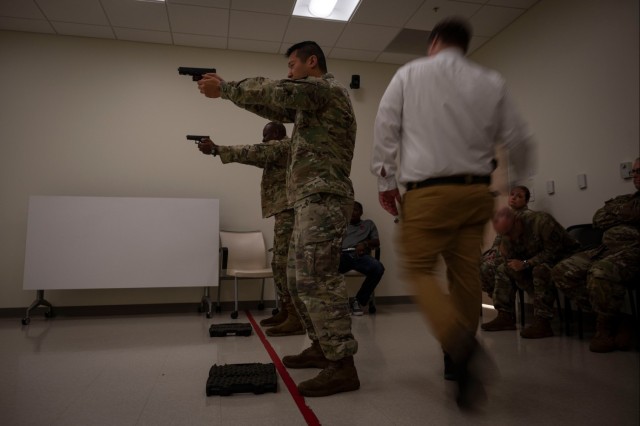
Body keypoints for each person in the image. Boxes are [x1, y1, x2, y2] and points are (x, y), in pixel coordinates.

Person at [371, 17, 534, 409]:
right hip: (477, 193)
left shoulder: (410, 74)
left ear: (433, 43)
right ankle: (455, 365)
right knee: (466, 278)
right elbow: (519, 140)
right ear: (463, 45)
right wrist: (515, 194)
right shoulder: (490, 80)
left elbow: (385, 129)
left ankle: (459, 344)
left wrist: (385, 183)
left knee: (418, 269)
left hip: (428, 195)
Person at [195, 41, 359, 397]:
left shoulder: (325, 89)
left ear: (311, 62)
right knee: (299, 279)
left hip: (324, 196)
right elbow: (273, 103)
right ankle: (322, 346)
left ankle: (342, 365)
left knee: (319, 279)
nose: (289, 72)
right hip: (307, 200)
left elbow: (278, 92)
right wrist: (230, 96)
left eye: (292, 65)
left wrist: (226, 90)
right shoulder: (310, 107)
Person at [195, 122, 304, 337]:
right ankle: (285, 311)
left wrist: (217, 149)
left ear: (278, 134)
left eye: (266, 136)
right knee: (278, 262)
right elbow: (256, 156)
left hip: (289, 211)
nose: (263, 140)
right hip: (284, 212)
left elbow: (252, 152)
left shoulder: (284, 146)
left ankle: (295, 317)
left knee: (284, 264)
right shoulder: (277, 152)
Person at [552, 157, 640, 352]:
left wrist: (618, 215)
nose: (635, 175)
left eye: (638, 171)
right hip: (606, 249)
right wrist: (626, 212)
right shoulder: (626, 200)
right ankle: (618, 320)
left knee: (599, 272)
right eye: (633, 171)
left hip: (633, 252)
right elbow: (598, 218)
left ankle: (605, 331)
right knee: (562, 270)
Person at [484, 207, 579, 337]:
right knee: (503, 269)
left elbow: (554, 251)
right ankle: (505, 316)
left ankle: (543, 322)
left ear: (517, 221)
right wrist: (506, 254)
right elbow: (512, 257)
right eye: (504, 234)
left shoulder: (542, 222)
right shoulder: (508, 235)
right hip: (535, 261)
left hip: (564, 257)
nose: (508, 237)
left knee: (540, 270)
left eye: (509, 232)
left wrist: (526, 264)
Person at [480, 185, 533, 326]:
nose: (514, 198)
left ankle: (505, 314)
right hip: (504, 255)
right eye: (512, 194)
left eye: (519, 196)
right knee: (482, 264)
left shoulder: (526, 217)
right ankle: (503, 310)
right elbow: (498, 244)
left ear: (526, 201)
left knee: (488, 267)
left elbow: (518, 246)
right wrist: (491, 253)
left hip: (519, 258)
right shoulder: (508, 216)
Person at [339, 201, 385, 315]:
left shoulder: (368, 224)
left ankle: (358, 301)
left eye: (355, 209)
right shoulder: (340, 224)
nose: (352, 212)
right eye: (350, 210)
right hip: (342, 256)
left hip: (359, 256)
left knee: (378, 268)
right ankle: (333, 304)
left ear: (361, 212)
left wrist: (364, 244)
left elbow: (376, 242)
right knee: (322, 268)